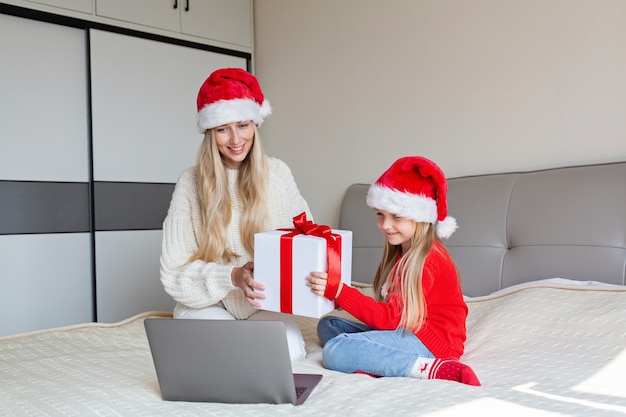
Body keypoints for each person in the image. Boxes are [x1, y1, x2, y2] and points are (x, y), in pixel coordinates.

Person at [160, 68, 313, 361]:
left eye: (243, 125)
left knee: (290, 352)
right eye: (222, 129)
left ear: (255, 124)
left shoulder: (278, 173)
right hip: (207, 305)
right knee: (224, 354)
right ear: (210, 133)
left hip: (263, 306)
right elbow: (173, 274)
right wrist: (232, 276)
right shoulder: (190, 183)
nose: (235, 139)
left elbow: (308, 242)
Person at [307, 156, 480, 385]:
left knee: (335, 350)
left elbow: (389, 318)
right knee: (328, 326)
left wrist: (340, 291)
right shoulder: (403, 252)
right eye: (380, 214)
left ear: (420, 218)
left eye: (396, 216)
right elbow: (392, 314)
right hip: (409, 327)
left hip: (433, 341)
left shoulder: (428, 260)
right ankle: (374, 360)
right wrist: (340, 295)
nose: (385, 225)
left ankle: (433, 368)